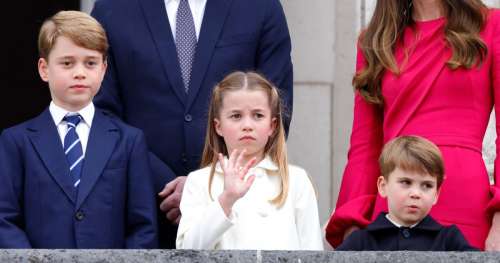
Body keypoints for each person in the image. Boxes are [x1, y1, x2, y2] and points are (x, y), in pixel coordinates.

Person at [90, 0, 293, 248]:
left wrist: (206, 184)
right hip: (140, 215)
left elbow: (274, 107)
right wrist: (164, 184)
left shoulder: (260, 6)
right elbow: (100, 113)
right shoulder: (113, 8)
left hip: (237, 216)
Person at [326, 0, 500, 251]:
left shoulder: (491, 26)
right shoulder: (374, 41)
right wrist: (353, 222)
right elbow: (364, 146)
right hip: (394, 203)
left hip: (465, 203)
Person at [0, 11, 157, 248]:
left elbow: (143, 226)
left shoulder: (129, 141)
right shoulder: (15, 141)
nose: (80, 72)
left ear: (103, 69)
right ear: (44, 69)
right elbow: (4, 219)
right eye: (67, 63)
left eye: (91, 63)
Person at [176, 71, 321, 250]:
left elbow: (313, 251)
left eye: (258, 115)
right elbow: (187, 251)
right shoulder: (199, 182)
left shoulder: (296, 180)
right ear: (218, 126)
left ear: (272, 126)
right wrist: (226, 200)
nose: (247, 125)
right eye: (236, 116)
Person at [337, 136, 477, 251]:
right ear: (383, 186)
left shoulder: (449, 239)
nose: (416, 193)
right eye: (406, 182)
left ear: (436, 194)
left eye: (427, 185)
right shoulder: (361, 241)